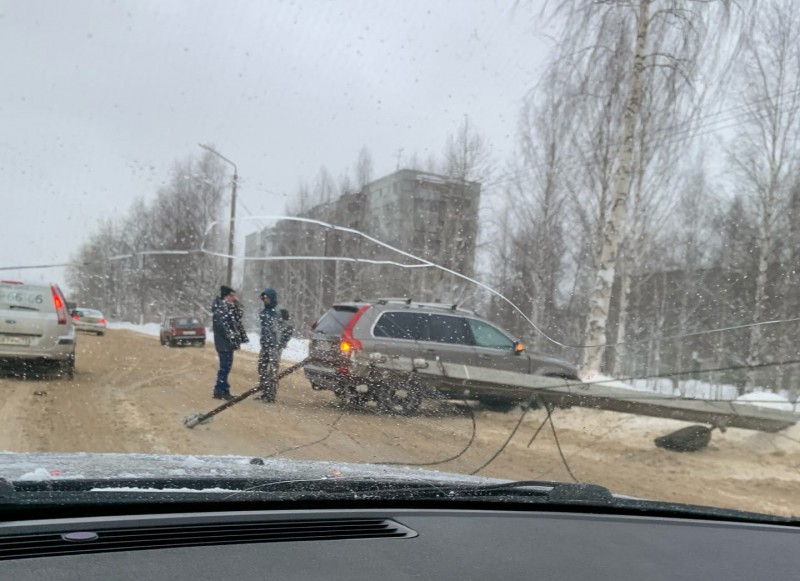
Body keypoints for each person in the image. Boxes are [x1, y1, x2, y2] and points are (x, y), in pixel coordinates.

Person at [211, 285, 248, 400]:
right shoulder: (221, 308)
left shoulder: (228, 307)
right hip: (223, 343)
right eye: (232, 295)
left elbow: (239, 315)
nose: (234, 297)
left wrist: (237, 304)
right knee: (225, 367)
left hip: (227, 343)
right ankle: (221, 390)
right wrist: (230, 334)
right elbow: (221, 326)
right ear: (226, 296)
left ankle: (221, 389)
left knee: (226, 367)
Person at [257, 287, 293, 402]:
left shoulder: (280, 311)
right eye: (263, 298)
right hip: (265, 345)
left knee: (272, 371)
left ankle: (270, 394)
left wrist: (282, 343)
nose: (265, 300)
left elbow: (288, 328)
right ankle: (264, 392)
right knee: (261, 368)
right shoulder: (265, 310)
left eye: (266, 298)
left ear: (272, 298)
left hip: (275, 346)